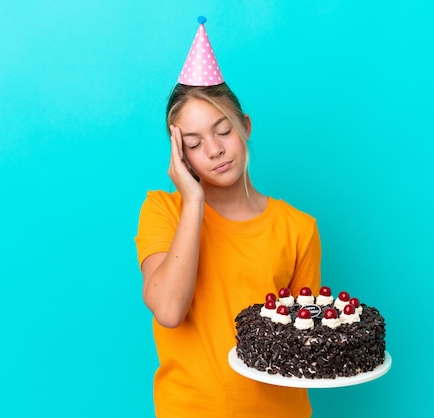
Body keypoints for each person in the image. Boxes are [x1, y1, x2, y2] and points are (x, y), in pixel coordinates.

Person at [135, 17, 321, 418]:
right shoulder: (162, 211)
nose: (215, 150)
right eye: (195, 143)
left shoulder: (298, 228)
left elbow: (304, 343)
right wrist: (194, 201)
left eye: (223, 131)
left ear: (246, 127)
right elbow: (168, 310)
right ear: (180, 156)